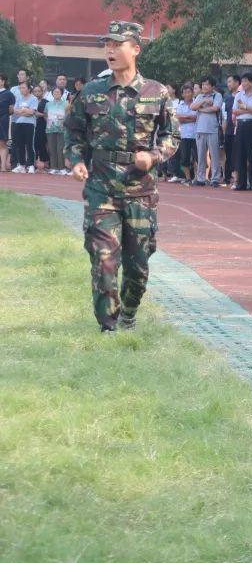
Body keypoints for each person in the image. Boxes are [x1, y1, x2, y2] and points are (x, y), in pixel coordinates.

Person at [63, 20, 177, 332]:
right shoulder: (91, 92)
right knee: (103, 261)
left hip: (141, 192)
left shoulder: (157, 92)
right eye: (107, 45)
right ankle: (108, 327)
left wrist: (152, 156)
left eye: (117, 45)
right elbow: (72, 134)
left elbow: (171, 137)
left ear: (135, 49)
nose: (110, 50)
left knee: (138, 267)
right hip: (101, 190)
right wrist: (75, 162)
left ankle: (128, 314)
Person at [192, 77, 224, 186]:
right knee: (201, 155)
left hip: (213, 129)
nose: (204, 87)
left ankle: (215, 178)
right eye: (203, 84)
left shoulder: (217, 95)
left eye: (207, 84)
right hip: (200, 129)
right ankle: (201, 178)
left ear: (212, 86)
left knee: (214, 155)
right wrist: (204, 101)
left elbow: (215, 108)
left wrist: (201, 109)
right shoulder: (200, 96)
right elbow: (193, 107)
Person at [10, 79, 38, 172]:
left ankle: (31, 165)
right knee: (20, 144)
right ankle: (21, 165)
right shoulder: (18, 98)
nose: (21, 89)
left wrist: (23, 111)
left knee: (29, 144)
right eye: (20, 88)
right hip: (19, 123)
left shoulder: (33, 98)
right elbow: (15, 111)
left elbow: (32, 112)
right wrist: (25, 110)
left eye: (23, 88)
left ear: (29, 89)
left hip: (29, 124)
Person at [173, 83, 197, 184]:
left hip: (196, 135)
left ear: (192, 93)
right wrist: (190, 118)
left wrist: (185, 117)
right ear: (182, 94)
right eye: (185, 92)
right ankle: (188, 178)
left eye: (189, 92)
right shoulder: (180, 105)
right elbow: (179, 119)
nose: (187, 94)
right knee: (185, 158)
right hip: (184, 135)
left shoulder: (196, 103)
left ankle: (197, 177)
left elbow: (197, 117)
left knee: (197, 157)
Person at [44, 86, 68, 174]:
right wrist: (49, 121)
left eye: (58, 92)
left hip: (62, 129)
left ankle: (62, 168)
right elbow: (45, 115)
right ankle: (53, 167)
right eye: (55, 92)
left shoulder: (66, 103)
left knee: (60, 148)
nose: (56, 94)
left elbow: (68, 115)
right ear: (52, 94)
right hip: (50, 129)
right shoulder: (48, 104)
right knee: (52, 148)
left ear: (61, 94)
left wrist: (63, 122)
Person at [33, 81, 48, 171]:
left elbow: (48, 114)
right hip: (32, 126)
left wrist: (39, 114)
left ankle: (45, 165)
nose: (37, 93)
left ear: (42, 92)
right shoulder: (31, 101)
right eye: (35, 91)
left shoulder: (46, 102)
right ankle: (33, 164)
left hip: (42, 126)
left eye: (39, 91)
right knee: (33, 145)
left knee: (42, 145)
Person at [0, 74, 13, 172]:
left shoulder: (8, 94)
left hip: (3, 120)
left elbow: (11, 110)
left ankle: (3, 167)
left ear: (3, 81)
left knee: (2, 143)